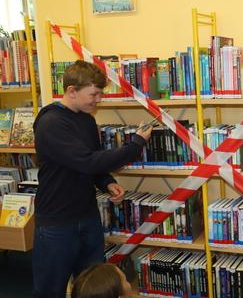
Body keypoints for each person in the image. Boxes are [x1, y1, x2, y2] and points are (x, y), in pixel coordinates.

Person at [32, 60, 153, 298]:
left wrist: (106, 182)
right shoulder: (51, 123)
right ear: (71, 91)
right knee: (50, 290)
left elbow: (93, 162)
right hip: (57, 222)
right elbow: (86, 161)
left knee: (94, 289)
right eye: (94, 94)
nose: (98, 100)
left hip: (87, 217)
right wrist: (136, 145)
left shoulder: (86, 119)